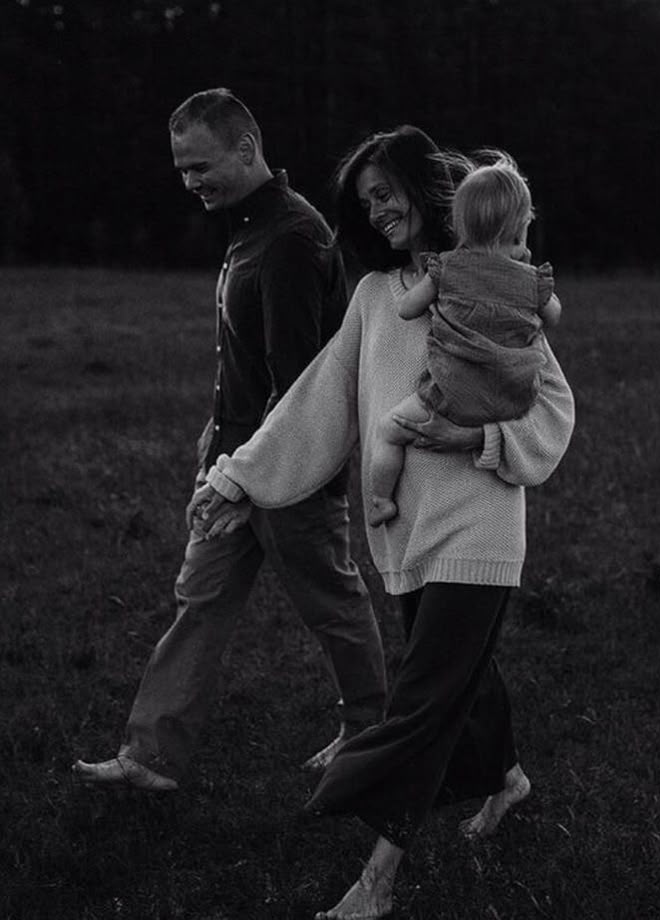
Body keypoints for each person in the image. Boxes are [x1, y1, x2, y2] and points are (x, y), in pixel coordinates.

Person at [190, 125, 575, 920]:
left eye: (386, 193)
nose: (378, 210)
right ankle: (507, 779)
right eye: (365, 202)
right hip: (404, 533)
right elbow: (317, 402)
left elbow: (555, 403)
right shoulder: (373, 299)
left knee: (424, 701)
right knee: (463, 677)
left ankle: (378, 879)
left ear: (423, 189)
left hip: (482, 526)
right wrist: (235, 480)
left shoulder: (490, 283)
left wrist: (481, 438)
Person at [72, 88, 387, 791]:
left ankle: (371, 736)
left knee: (330, 603)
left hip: (287, 467)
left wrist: (249, 475)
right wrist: (217, 448)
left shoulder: (292, 240)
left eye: (201, 166)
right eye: (181, 170)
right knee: (201, 599)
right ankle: (149, 757)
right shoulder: (248, 226)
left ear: (247, 149)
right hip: (233, 460)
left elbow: (300, 383)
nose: (190, 182)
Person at [368, 150, 562, 526]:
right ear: (519, 229)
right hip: (513, 398)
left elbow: (407, 309)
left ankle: (380, 501)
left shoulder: (447, 268)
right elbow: (553, 315)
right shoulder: (530, 279)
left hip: (449, 396)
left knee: (389, 430)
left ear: (462, 227)